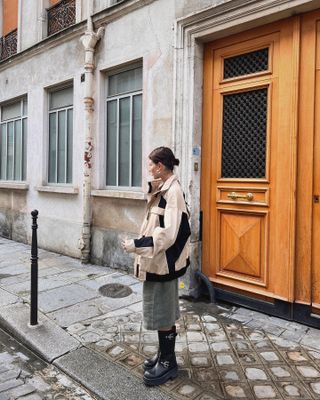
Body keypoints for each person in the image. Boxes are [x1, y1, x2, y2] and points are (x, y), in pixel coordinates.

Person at [121, 146, 191, 386]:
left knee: (163, 311)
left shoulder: (174, 192)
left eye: (150, 164)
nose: (148, 168)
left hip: (163, 262)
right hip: (158, 260)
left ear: (160, 166)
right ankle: (163, 354)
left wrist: (136, 245)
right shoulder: (164, 188)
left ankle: (168, 362)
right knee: (161, 309)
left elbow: (168, 234)